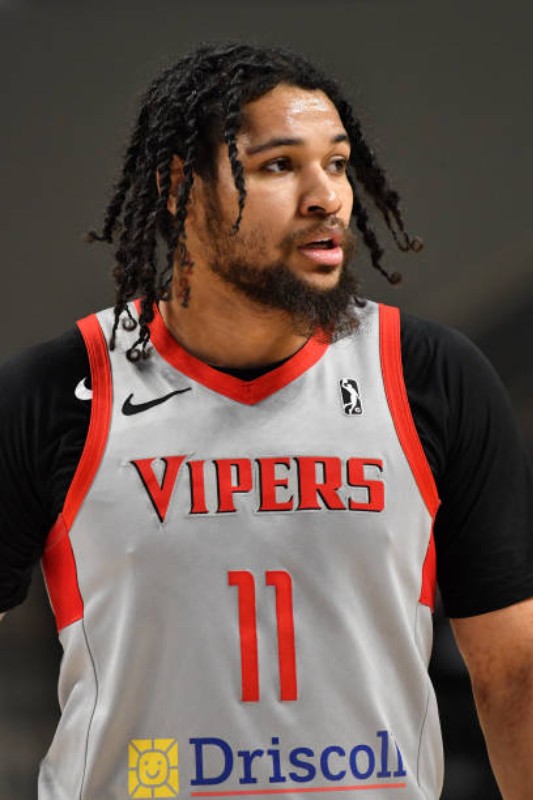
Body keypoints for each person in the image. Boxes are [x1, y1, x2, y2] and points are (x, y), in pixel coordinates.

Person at [1, 42, 532, 800]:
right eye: (280, 165)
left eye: (337, 164)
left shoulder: (431, 377)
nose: (326, 197)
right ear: (180, 187)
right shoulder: (56, 391)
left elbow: (515, 675)